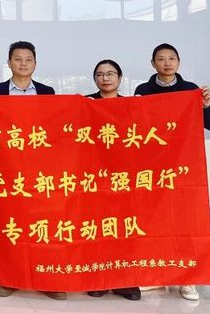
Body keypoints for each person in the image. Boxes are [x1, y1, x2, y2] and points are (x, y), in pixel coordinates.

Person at [134, 43, 210, 302]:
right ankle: (156, 275)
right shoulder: (142, 91)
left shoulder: (191, 89)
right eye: (161, 59)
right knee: (154, 221)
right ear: (153, 64)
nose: (167, 63)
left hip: (184, 168)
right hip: (152, 167)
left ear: (178, 62)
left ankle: (187, 278)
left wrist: (206, 105)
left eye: (171, 58)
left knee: (185, 222)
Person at [0, 41, 65, 301]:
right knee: (10, 223)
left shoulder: (47, 92)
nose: (23, 64)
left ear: (35, 64)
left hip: (39, 168)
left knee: (42, 223)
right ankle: (9, 279)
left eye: (28, 59)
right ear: (9, 63)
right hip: (6, 166)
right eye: (17, 59)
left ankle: (45, 278)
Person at [84, 59, 141, 302]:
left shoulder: (132, 105)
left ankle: (125, 280)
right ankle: (98, 279)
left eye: (110, 73)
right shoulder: (85, 104)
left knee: (124, 228)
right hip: (93, 176)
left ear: (120, 78)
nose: (105, 78)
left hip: (124, 177)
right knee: (96, 227)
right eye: (100, 74)